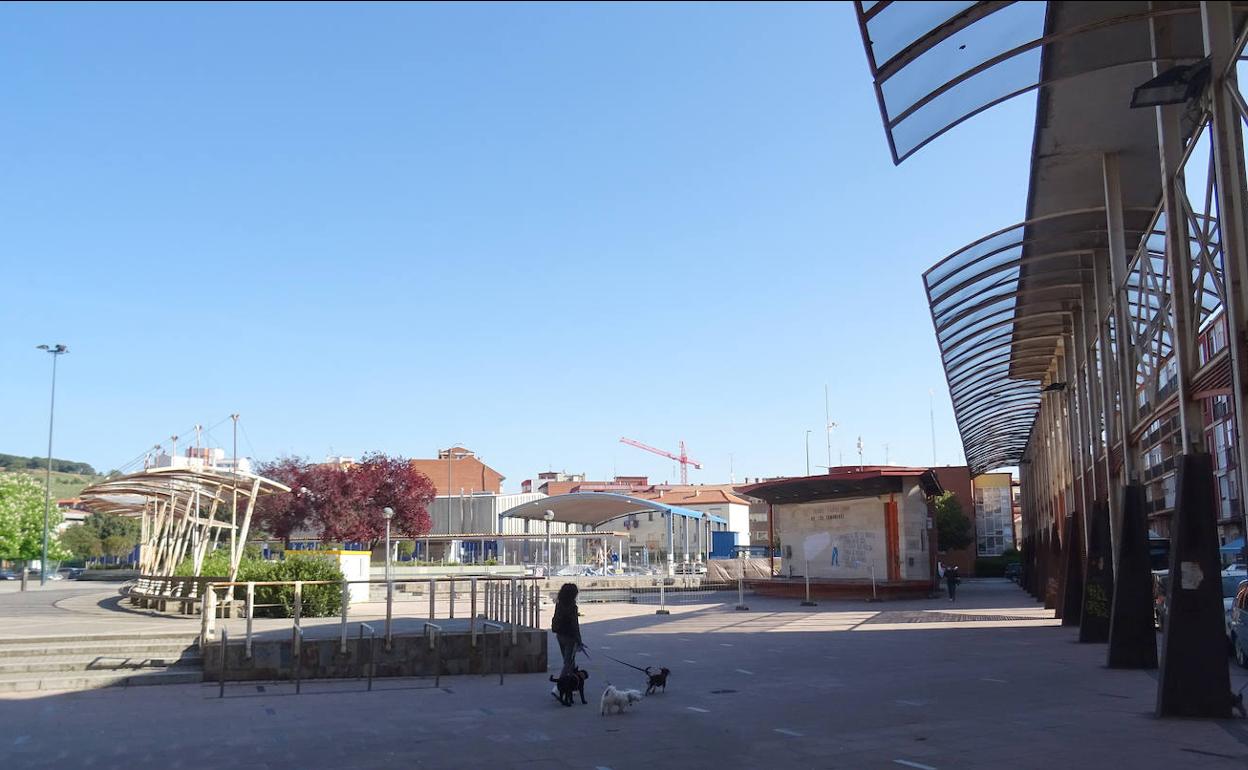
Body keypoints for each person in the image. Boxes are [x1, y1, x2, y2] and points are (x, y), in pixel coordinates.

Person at [551, 582, 585, 676]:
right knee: (568, 662)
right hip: (570, 637)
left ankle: (571, 683)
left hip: (560, 635)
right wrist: (579, 640)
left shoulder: (559, 605)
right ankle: (560, 685)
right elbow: (575, 625)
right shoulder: (573, 608)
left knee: (569, 661)